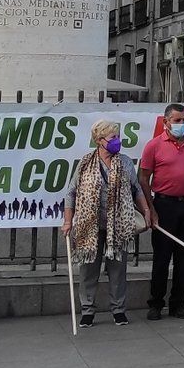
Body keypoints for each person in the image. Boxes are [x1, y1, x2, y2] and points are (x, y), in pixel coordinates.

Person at [64, 121, 149, 327]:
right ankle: (87, 311)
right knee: (88, 271)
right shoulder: (85, 163)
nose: (117, 141)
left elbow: (136, 189)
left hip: (118, 225)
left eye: (118, 137)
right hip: (89, 226)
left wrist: (146, 211)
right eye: (113, 138)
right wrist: (68, 220)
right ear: (99, 140)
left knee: (118, 270)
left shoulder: (126, 162)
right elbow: (71, 192)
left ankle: (118, 310)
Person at [139, 103, 184, 320]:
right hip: (164, 205)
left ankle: (178, 303)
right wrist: (150, 208)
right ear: (165, 121)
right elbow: (143, 177)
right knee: (162, 257)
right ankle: (156, 303)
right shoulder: (154, 145)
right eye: (177, 120)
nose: (182, 124)